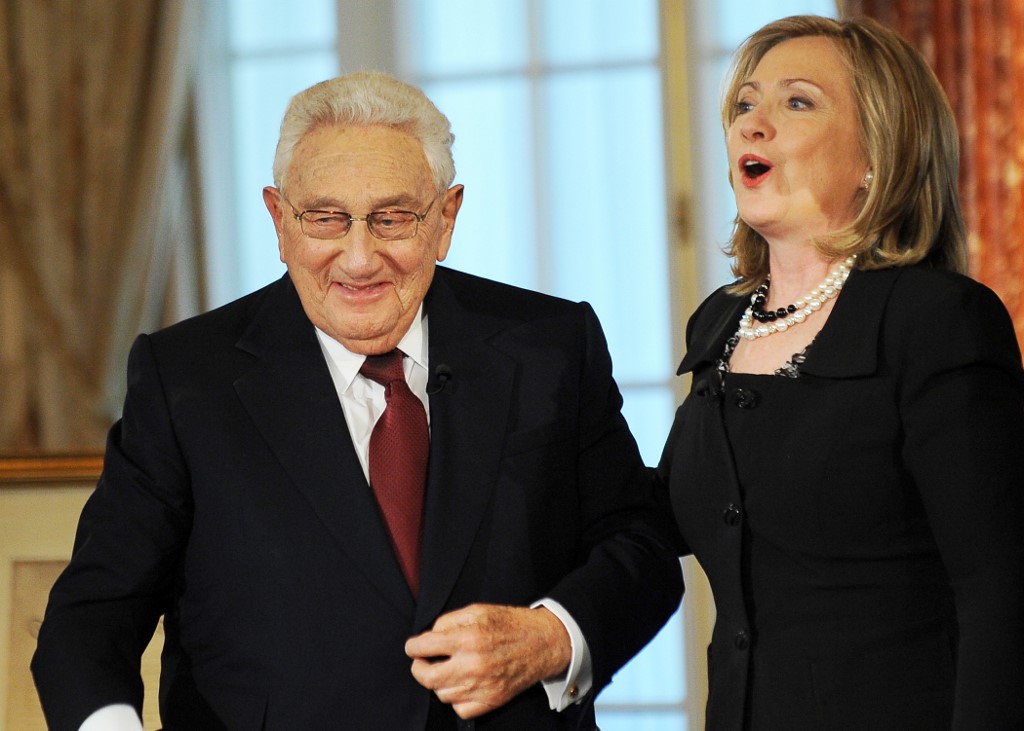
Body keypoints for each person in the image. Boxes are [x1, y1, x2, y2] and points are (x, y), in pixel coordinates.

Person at [32, 71, 683, 730]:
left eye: (392, 218)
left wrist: (552, 637)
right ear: (279, 220)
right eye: (326, 218)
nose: (360, 257)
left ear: (445, 218)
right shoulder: (185, 380)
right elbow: (91, 620)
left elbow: (640, 546)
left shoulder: (551, 346)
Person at [656, 14, 1024, 731]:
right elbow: (664, 514)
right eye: (744, 104)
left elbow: (1001, 592)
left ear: (875, 158)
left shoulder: (937, 321)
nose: (751, 125)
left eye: (796, 102)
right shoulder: (719, 324)